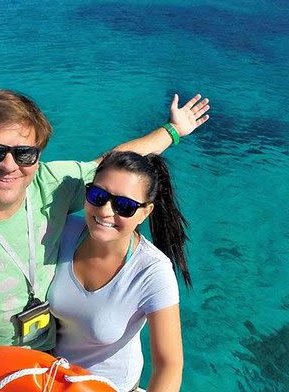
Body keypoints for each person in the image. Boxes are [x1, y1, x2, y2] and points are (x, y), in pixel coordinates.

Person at [0, 90, 209, 392]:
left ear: (37, 159)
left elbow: (114, 169)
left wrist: (173, 131)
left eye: (24, 153)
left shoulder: (51, 188)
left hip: (48, 365)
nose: (9, 165)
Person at [48, 151, 191, 392]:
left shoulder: (152, 271)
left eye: (124, 206)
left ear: (145, 212)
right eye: (98, 195)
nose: (105, 211)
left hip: (110, 387)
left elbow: (169, 365)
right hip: (50, 376)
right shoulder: (63, 232)